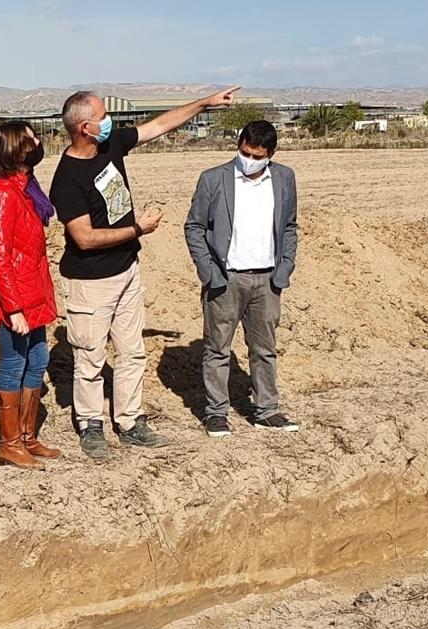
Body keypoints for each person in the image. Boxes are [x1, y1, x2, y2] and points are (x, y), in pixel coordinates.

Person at [50, 86, 240, 461]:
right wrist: (138, 229)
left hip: (127, 272)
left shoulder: (111, 147)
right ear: (85, 127)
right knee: (89, 357)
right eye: (103, 117)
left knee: (132, 351)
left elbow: (159, 125)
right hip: (91, 282)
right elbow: (84, 238)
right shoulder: (67, 179)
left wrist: (203, 103)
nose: (110, 122)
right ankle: (91, 425)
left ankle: (131, 422)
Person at [184, 119, 300, 437]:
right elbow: (194, 227)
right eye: (245, 152)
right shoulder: (213, 179)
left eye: (257, 156)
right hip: (226, 280)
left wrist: (284, 267)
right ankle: (216, 414)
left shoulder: (285, 178)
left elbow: (289, 226)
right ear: (239, 145)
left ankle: (267, 410)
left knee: (264, 349)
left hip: (267, 281)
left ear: (270, 154)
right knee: (218, 349)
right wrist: (209, 272)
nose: (249, 160)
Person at [0, 121, 61, 469]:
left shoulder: (24, 187)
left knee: (38, 360)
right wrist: (13, 309)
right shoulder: (0, 194)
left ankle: (27, 436)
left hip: (32, 290)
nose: (38, 142)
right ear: (15, 149)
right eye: (31, 139)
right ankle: (9, 443)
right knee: (13, 364)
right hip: (13, 298)